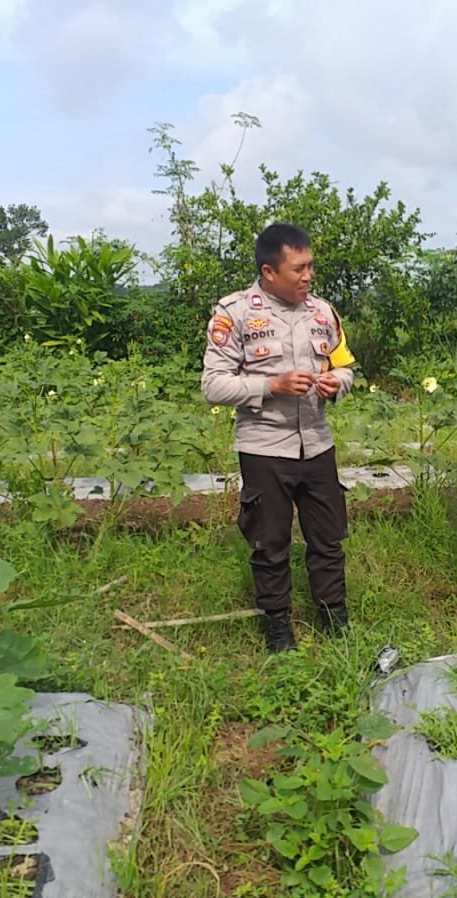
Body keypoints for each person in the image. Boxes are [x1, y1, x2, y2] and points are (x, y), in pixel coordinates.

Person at [202, 223, 356, 652]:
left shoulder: (323, 312)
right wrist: (271, 386)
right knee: (270, 543)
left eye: (310, 267)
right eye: (298, 269)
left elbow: (344, 366)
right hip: (264, 448)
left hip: (317, 444)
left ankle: (334, 619)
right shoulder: (234, 314)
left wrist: (336, 383)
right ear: (269, 273)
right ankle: (278, 629)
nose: (308, 276)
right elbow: (213, 385)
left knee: (328, 538)